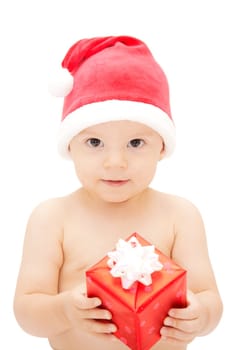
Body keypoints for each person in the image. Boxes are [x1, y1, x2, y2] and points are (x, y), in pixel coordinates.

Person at [14, 35, 223, 350]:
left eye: (136, 143)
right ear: (69, 145)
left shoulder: (180, 216)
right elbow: (27, 311)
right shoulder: (53, 218)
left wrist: (201, 315)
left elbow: (210, 298)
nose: (115, 163)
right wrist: (64, 311)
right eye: (94, 143)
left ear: (162, 146)